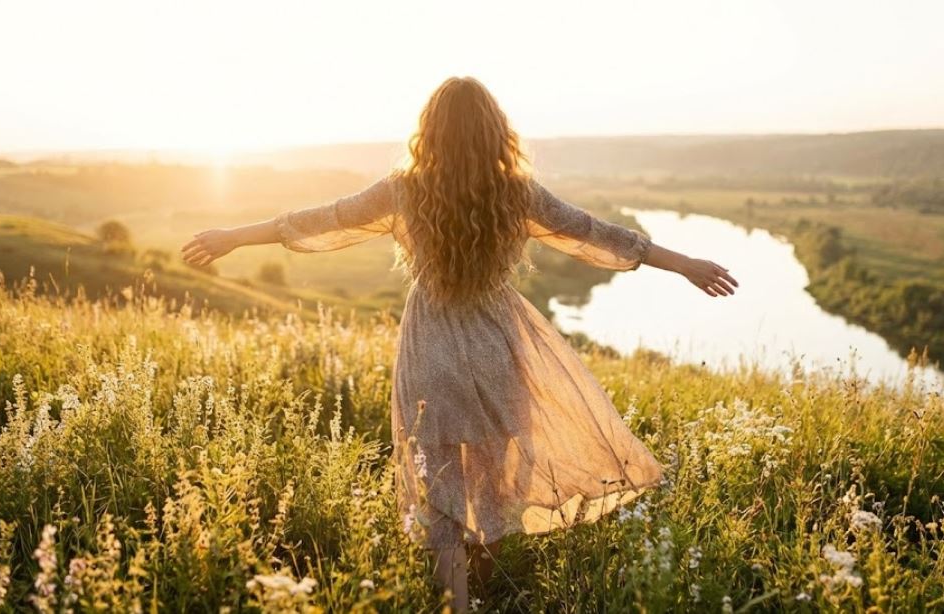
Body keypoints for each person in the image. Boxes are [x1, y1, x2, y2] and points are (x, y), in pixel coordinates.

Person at [181, 76, 738, 612]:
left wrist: (234, 236)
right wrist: (684, 263)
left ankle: (458, 604)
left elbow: (320, 218)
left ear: (430, 130)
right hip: (499, 338)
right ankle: (488, 583)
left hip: (431, 342)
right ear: (497, 132)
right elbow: (598, 233)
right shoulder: (517, 193)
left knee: (438, 475)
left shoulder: (404, 189)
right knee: (499, 467)